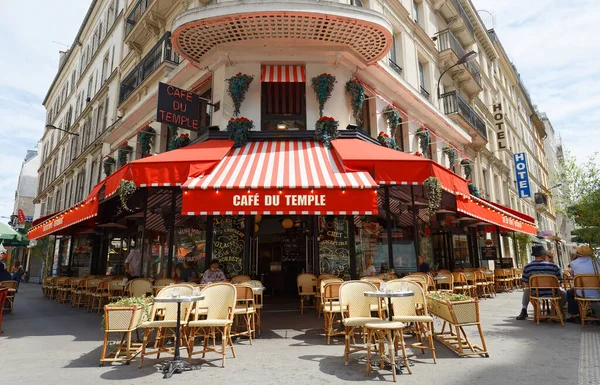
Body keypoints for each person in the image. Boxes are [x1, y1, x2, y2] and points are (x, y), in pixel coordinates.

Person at [516, 245, 566, 320]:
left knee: (527, 290)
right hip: (552, 293)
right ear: (543, 254)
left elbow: (526, 283)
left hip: (535, 293)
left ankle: (535, 312)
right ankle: (555, 311)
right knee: (564, 293)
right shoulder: (554, 267)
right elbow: (559, 280)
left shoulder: (527, 267)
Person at [565, 245, 600, 322]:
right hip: (598, 291)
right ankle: (593, 312)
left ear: (578, 254)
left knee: (570, 293)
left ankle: (575, 314)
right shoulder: (597, 262)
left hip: (582, 293)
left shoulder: (574, 263)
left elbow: (573, 275)